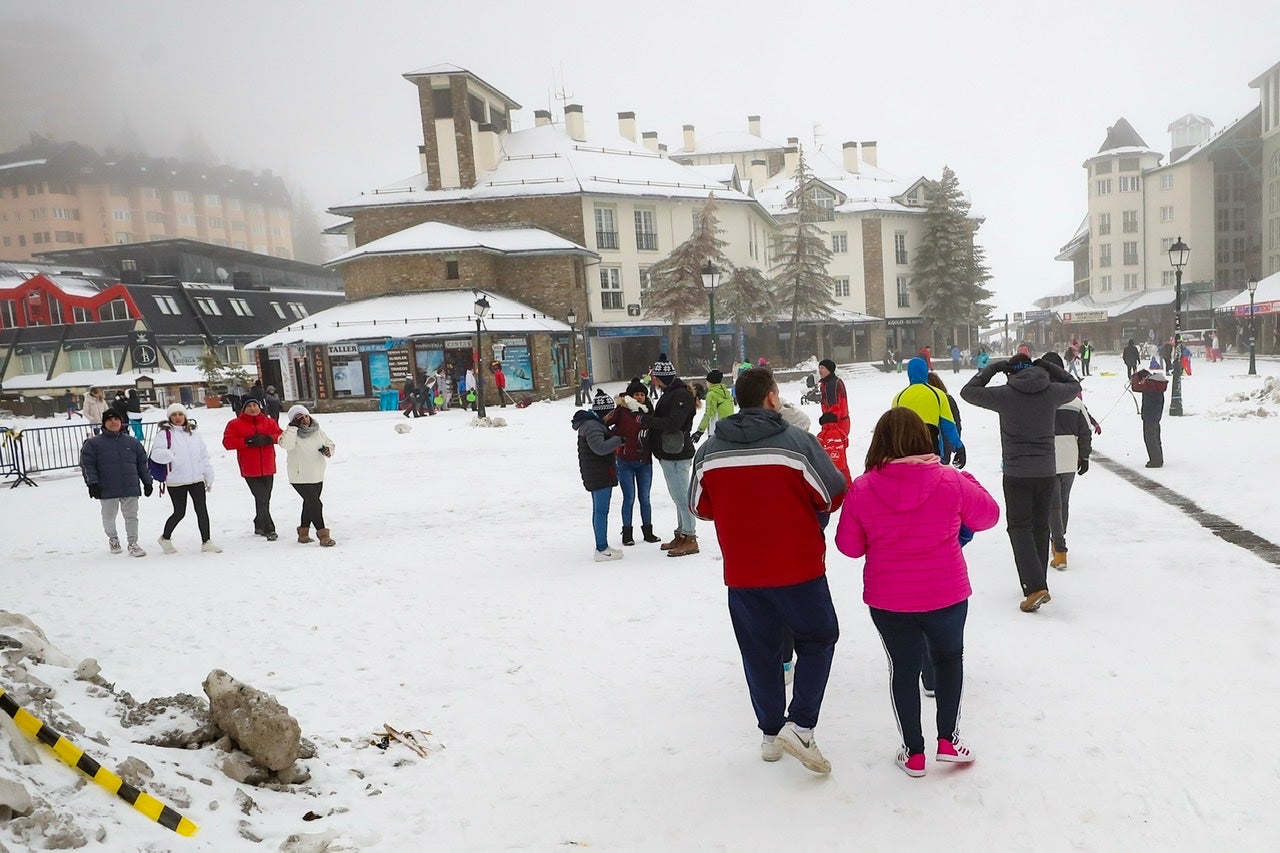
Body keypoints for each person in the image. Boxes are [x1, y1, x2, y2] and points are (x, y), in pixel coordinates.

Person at [690, 367, 848, 774]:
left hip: (743, 572)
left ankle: (771, 734)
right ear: (772, 398)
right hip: (799, 567)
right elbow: (832, 493)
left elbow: (699, 507)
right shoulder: (797, 444)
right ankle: (801, 725)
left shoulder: (709, 452)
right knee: (818, 637)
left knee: (759, 651)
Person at [834, 407, 1000, 777]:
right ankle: (948, 740)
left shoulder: (863, 488)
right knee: (949, 660)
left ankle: (914, 753)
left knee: (904, 670)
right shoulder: (950, 481)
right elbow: (988, 516)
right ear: (923, 439)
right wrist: (967, 479)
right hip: (947, 593)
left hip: (889, 599)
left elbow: (849, 547)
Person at [960, 352, 1081, 612]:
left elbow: (968, 392)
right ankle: (1039, 583)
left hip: (1017, 473)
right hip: (1046, 472)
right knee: (1040, 527)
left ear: (1010, 373)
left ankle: (1035, 587)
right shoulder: (1050, 392)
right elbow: (1074, 385)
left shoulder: (1005, 394)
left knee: (1019, 528)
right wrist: (1048, 366)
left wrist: (992, 368)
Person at [1037, 353, 1092, 570]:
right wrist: (1084, 456)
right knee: (1063, 502)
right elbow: (1086, 431)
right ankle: (1058, 540)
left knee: (1053, 505)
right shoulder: (1075, 402)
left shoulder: (1038, 400)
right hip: (1070, 457)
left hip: (1046, 457)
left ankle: (1059, 548)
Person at [642, 356, 699, 557]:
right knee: (677, 496)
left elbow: (674, 423)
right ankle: (682, 533)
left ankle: (690, 537)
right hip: (668, 451)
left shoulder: (680, 395)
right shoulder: (671, 393)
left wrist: (648, 421)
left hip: (677, 452)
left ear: (664, 378)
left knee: (682, 496)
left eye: (656, 378)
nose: (654, 382)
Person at [81, 409, 153, 557]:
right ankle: (113, 538)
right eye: (109, 420)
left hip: (130, 485)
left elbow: (142, 464)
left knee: (131, 516)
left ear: (121, 422)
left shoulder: (132, 442)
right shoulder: (93, 444)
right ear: (104, 423)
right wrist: (92, 484)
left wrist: (147, 482)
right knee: (109, 516)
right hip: (107, 487)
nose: (113, 422)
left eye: (116, 419)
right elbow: (88, 465)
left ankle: (133, 543)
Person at [151, 404, 221, 554]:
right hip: (176, 480)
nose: (177, 417)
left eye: (180, 414)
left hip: (196, 479)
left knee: (202, 510)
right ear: (169, 417)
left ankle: (206, 541)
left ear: (185, 416)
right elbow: (155, 454)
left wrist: (208, 473)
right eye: (174, 415)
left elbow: (203, 455)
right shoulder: (164, 434)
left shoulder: (194, 434)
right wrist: (169, 455)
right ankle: (165, 538)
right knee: (179, 512)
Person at [607, 379, 661, 546]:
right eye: (636, 394)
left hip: (644, 462)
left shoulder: (649, 412)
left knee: (645, 498)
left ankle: (648, 531)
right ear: (630, 396)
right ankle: (627, 533)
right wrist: (616, 440)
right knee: (629, 498)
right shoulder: (621, 411)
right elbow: (605, 424)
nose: (639, 397)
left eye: (642, 394)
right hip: (625, 461)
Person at [222, 397, 283, 541]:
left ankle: (258, 523)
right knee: (262, 497)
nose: (253, 408)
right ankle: (269, 528)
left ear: (260, 407)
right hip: (250, 468)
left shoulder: (269, 422)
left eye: (255, 405)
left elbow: (281, 435)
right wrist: (246, 441)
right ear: (244, 409)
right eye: (249, 406)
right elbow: (227, 442)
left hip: (268, 466)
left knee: (264, 498)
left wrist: (269, 439)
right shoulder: (235, 424)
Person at [573, 389, 624, 560]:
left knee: (599, 511)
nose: (611, 417)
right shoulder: (592, 426)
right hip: (599, 474)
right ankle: (601, 549)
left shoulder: (593, 424)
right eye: (610, 413)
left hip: (597, 472)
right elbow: (600, 448)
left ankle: (602, 546)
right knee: (601, 511)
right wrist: (619, 439)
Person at [891, 358, 966, 469]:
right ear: (925, 371)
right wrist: (959, 447)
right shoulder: (938, 395)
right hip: (931, 448)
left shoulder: (898, 397)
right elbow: (949, 426)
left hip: (906, 450)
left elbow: (893, 429)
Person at [279, 404, 337, 546]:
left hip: (317, 473)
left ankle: (303, 533)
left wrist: (328, 450)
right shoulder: (290, 433)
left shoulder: (318, 431)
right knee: (316, 504)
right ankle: (323, 535)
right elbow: (286, 445)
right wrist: (292, 428)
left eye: (306, 416)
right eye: (299, 417)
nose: (304, 419)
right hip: (299, 476)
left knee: (309, 503)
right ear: (294, 420)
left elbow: (330, 444)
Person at [1131, 361, 1167, 469]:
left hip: (1150, 415)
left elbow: (1135, 387)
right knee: (1155, 437)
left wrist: (1135, 377)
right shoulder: (1156, 383)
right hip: (1156, 415)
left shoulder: (1150, 384)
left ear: (1144, 378)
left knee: (1150, 439)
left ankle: (1155, 461)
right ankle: (1158, 459)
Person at [926, 372, 964, 467]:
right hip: (946, 441)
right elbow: (956, 423)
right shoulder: (947, 399)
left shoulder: (920, 400)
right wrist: (957, 445)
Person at [693, 369, 734, 443]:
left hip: (716, 431)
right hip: (728, 428)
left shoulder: (712, 394)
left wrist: (700, 431)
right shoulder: (726, 393)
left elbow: (709, 414)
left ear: (710, 382)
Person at [816, 412, 851, 488]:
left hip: (827, 467)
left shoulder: (821, 435)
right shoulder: (841, 433)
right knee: (846, 481)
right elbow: (846, 444)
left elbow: (817, 449)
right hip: (842, 464)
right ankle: (848, 490)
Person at [817, 359, 850, 439]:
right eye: (819, 368)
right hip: (839, 422)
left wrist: (829, 423)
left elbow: (835, 407)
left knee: (834, 446)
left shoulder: (832, 384)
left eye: (822, 368)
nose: (820, 371)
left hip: (836, 424)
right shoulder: (827, 383)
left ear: (829, 369)